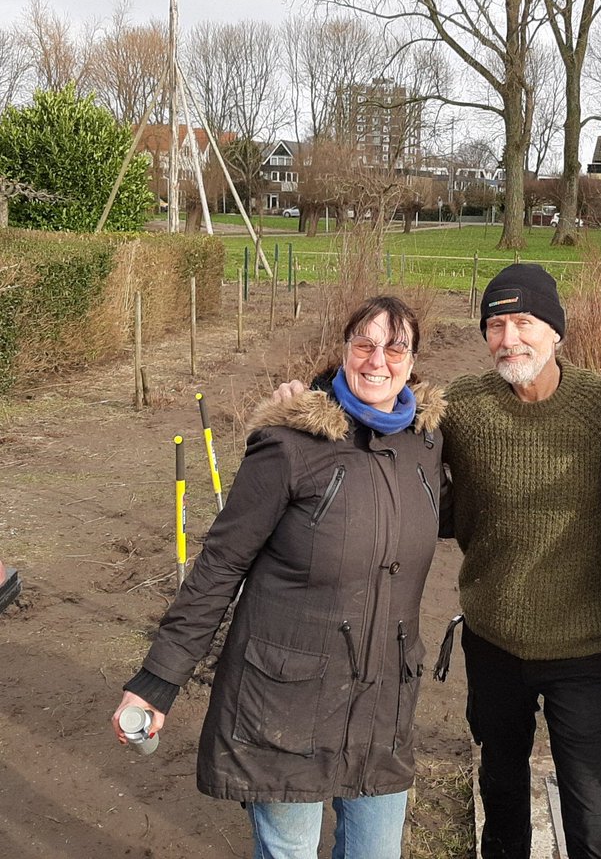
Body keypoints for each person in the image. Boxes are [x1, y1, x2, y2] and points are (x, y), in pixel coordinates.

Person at [271, 263, 601, 859]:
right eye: (496, 324)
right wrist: (304, 403)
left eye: (524, 322)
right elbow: (375, 414)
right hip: (492, 643)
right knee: (503, 796)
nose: (509, 338)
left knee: (594, 818)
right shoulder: (462, 406)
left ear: (556, 332)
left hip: (585, 649)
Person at [112, 295, 448, 859]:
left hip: (382, 700)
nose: (377, 360)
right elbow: (222, 564)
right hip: (286, 699)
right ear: (343, 352)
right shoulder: (291, 444)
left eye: (395, 347)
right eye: (364, 344)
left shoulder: (427, 444)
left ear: (414, 362)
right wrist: (157, 681)